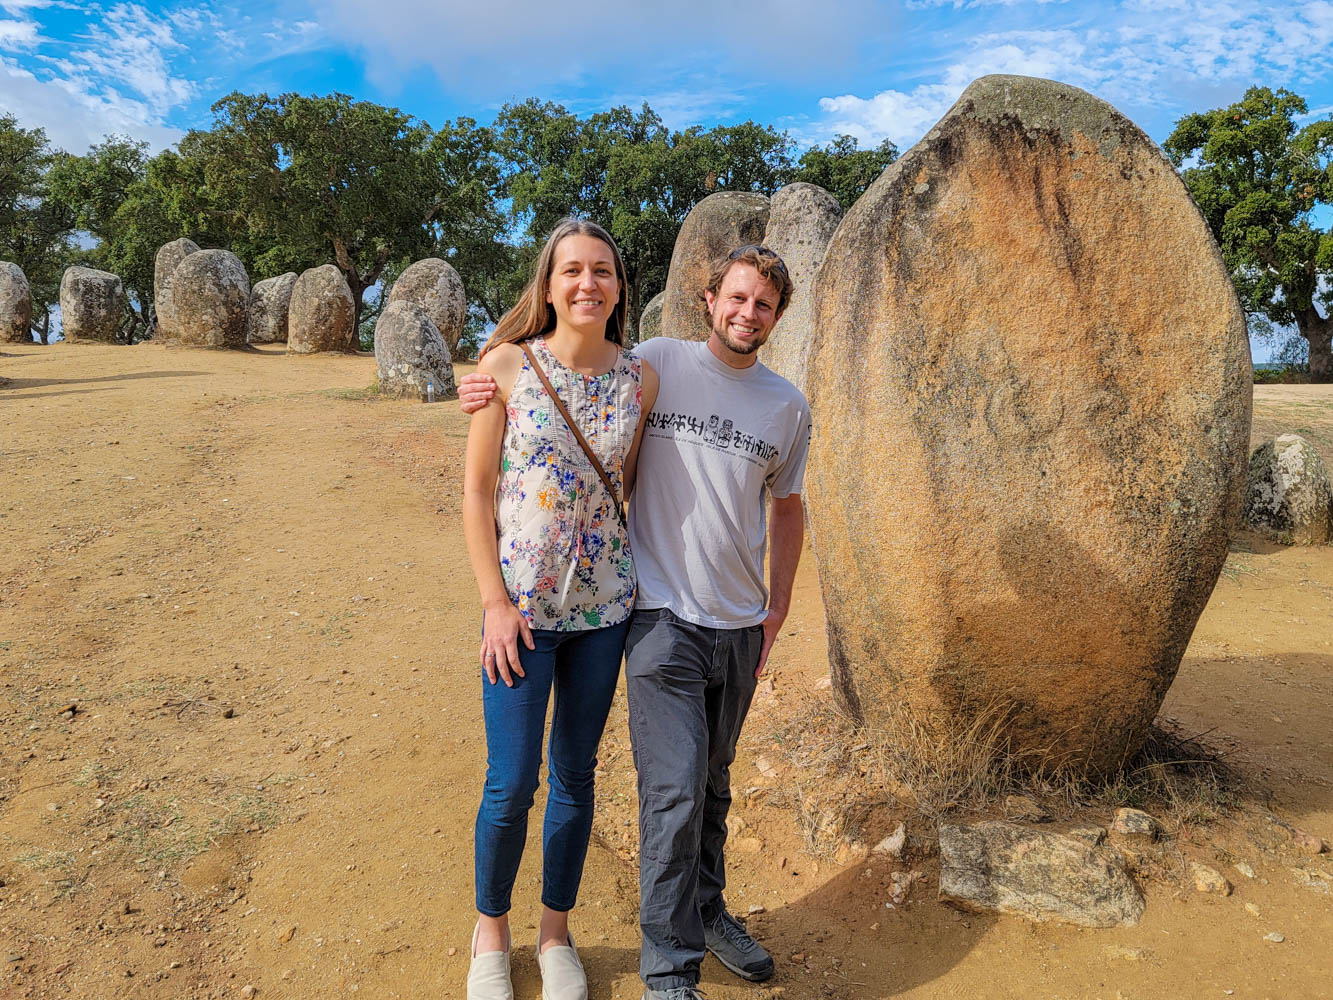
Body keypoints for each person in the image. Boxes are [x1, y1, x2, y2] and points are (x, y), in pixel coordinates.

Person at [461, 245, 809, 1000]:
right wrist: (476, 382)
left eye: (764, 305)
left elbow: (784, 502)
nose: (748, 314)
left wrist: (778, 607)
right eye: (737, 298)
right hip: (586, 615)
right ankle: (549, 945)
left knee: (661, 783)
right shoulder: (624, 362)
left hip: (630, 610)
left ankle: (590, 929)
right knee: (541, 785)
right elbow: (480, 480)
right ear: (707, 299)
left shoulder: (661, 379)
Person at [461, 217, 659, 1000]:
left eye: (603, 271)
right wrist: (493, 603)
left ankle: (554, 933)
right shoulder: (507, 365)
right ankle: (490, 932)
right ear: (547, 285)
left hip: (604, 612)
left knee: (575, 775)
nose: (588, 284)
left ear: (619, 286)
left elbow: (631, 485)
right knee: (511, 783)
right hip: (521, 615)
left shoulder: (640, 379)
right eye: (572, 270)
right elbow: (476, 493)